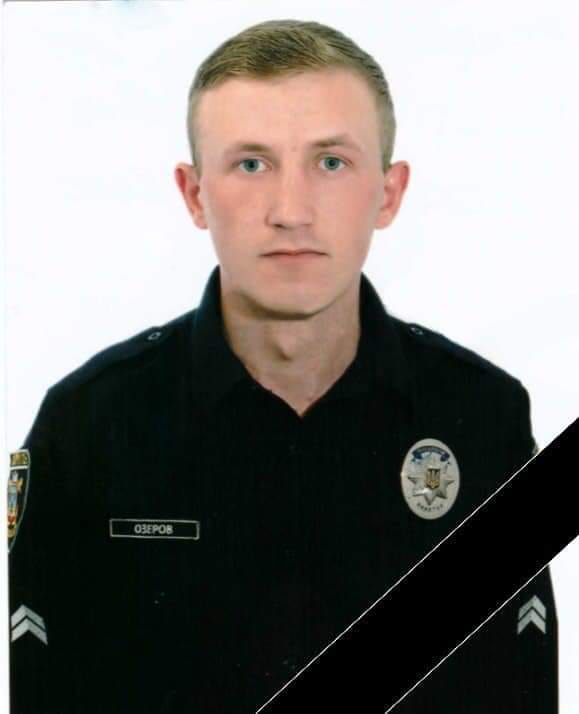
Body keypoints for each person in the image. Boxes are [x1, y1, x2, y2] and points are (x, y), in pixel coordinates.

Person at [8, 18, 557, 714]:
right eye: (251, 164)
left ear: (388, 193)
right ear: (194, 194)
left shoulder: (481, 417)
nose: (291, 212)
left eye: (330, 163)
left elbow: (519, 688)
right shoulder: (89, 424)